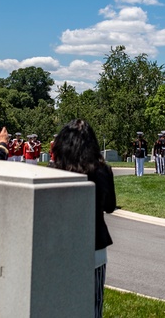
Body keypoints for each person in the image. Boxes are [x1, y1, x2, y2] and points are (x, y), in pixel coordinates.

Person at [50, 120, 116, 318]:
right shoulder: (101, 170)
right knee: (93, 306)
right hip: (93, 245)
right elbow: (110, 206)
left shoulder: (52, 170)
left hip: (58, 246)